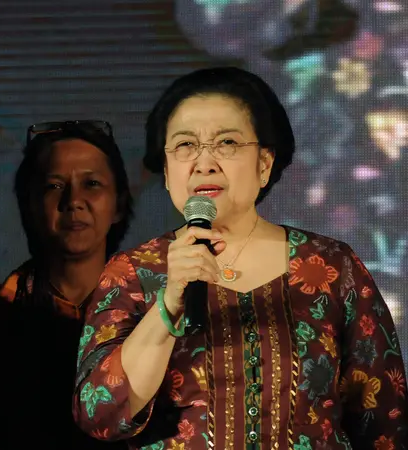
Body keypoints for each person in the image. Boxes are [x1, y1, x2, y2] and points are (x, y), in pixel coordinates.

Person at [73, 67, 408, 449]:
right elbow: (97, 416)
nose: (204, 162)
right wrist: (167, 306)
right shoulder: (132, 272)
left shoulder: (331, 266)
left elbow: (384, 419)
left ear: (264, 164)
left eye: (227, 143)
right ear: (166, 173)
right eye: (185, 145)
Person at [0, 121, 133, 449]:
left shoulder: (152, 314)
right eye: (54, 186)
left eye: (92, 183)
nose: (74, 201)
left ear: (119, 205)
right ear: (29, 204)